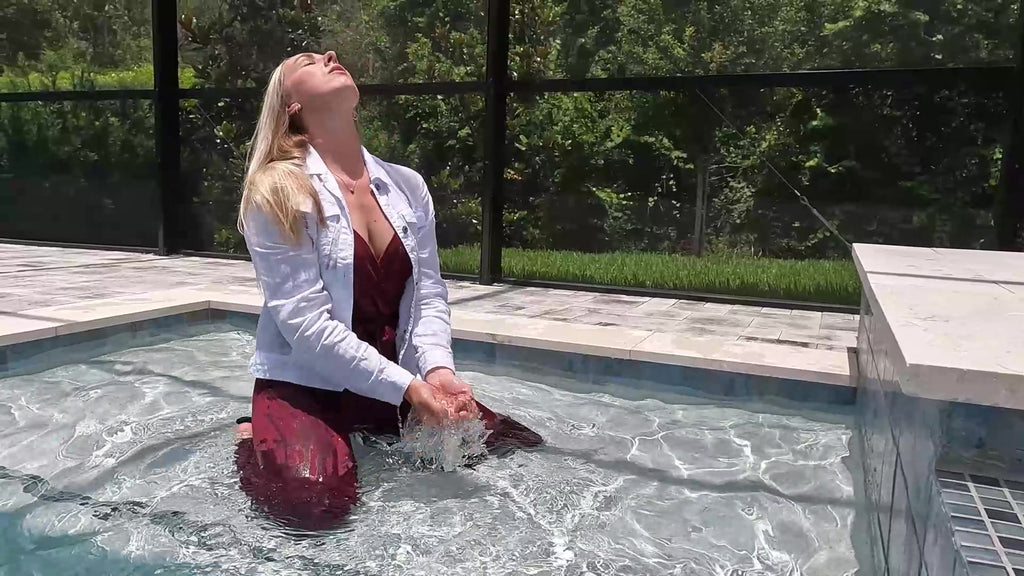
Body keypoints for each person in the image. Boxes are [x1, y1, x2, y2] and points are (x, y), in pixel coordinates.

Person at [233, 50, 542, 531]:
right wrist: (409, 388)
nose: (331, 56)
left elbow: (428, 294)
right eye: (309, 61)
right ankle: (251, 435)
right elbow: (305, 327)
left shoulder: (407, 185)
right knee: (312, 511)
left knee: (507, 443)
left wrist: (437, 371)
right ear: (291, 104)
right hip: (307, 381)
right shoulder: (277, 190)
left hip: (395, 374)